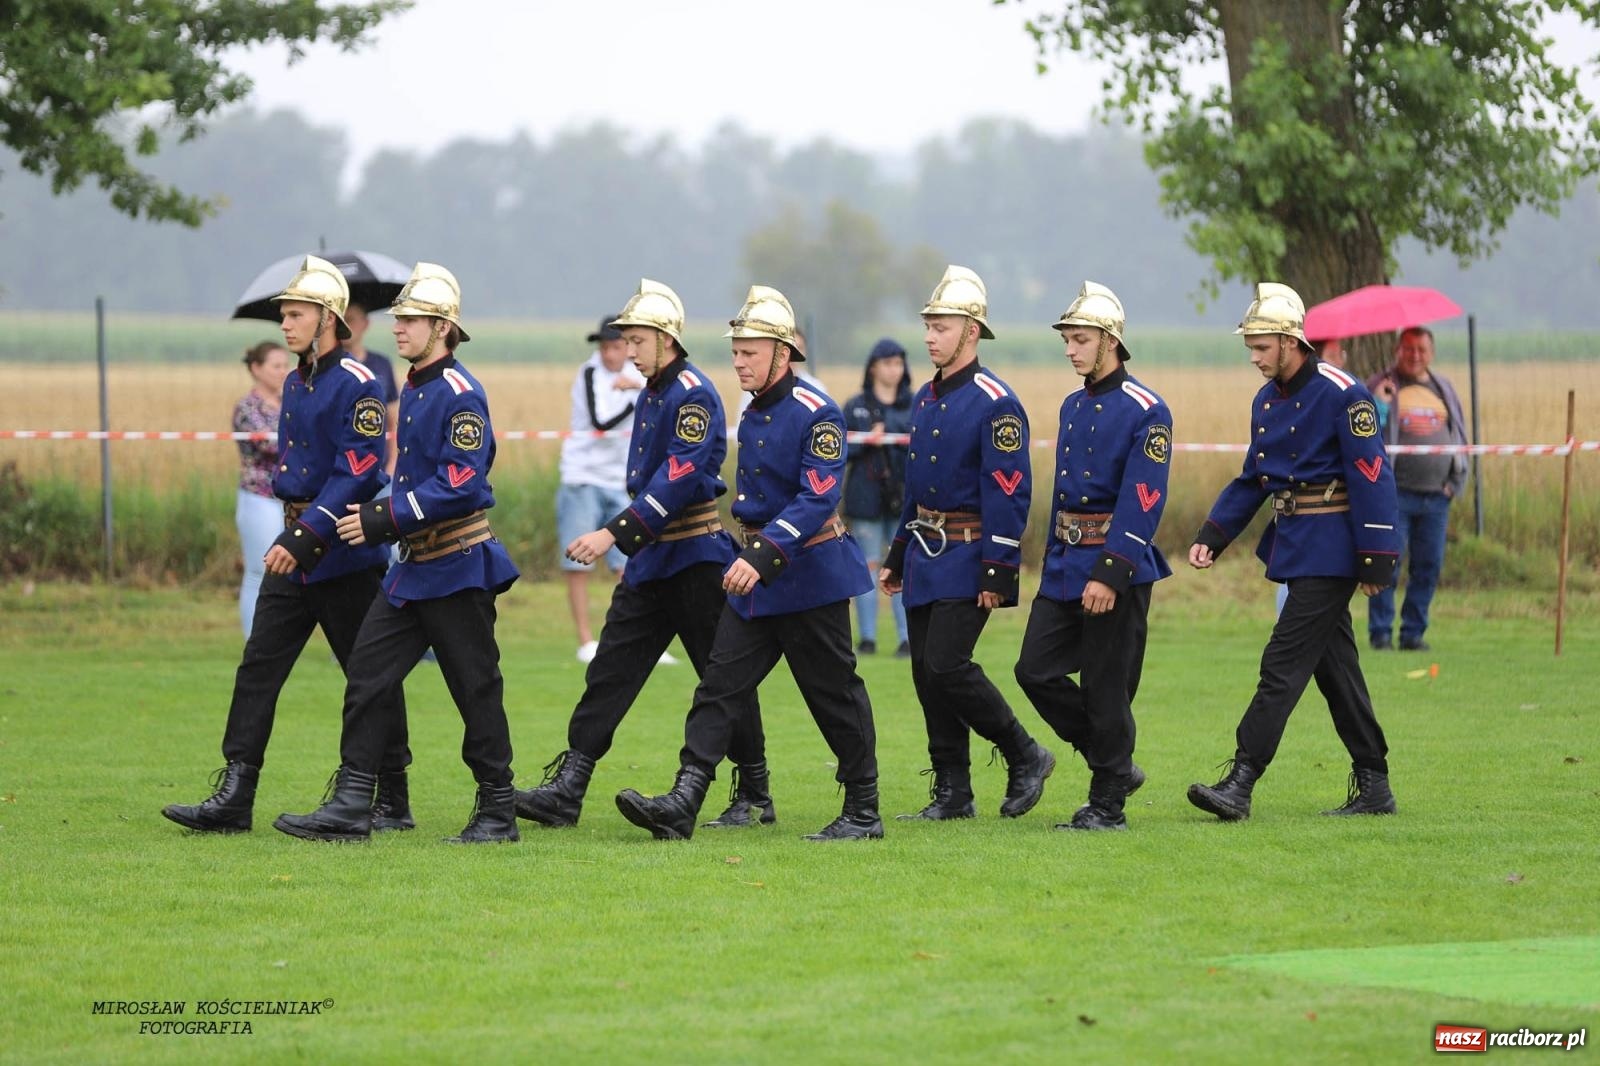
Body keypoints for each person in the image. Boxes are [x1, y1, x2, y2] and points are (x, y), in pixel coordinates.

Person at [614, 285, 881, 842]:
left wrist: (759, 554)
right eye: (735, 351)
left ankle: (863, 809)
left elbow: (818, 496)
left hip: (809, 575)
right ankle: (684, 801)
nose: (738, 362)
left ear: (783, 354)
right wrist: (753, 557)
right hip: (756, 581)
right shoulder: (754, 413)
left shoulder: (818, 412)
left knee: (833, 694)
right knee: (719, 687)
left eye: (750, 352)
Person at [274, 263, 522, 844]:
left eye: (410, 321)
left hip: (458, 565)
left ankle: (498, 810)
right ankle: (353, 804)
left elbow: (463, 480)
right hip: (414, 568)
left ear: (441, 327)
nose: (397, 329)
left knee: (474, 688)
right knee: (367, 674)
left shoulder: (460, 393)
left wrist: (383, 517)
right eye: (398, 320)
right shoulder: (415, 386)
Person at [162, 255, 410, 834]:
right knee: (258, 669)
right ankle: (235, 794)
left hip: (342, 552)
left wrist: (303, 536)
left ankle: (393, 797)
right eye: (284, 315)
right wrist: (293, 533)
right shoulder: (297, 381)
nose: (285, 325)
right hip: (293, 547)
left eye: (296, 315)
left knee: (367, 676)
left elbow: (361, 467)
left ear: (327, 317)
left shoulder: (360, 382)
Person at [515, 280, 773, 832]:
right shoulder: (654, 390)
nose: (627, 350)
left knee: (719, 679)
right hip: (653, 560)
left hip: (697, 560)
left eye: (636, 339)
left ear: (665, 338)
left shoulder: (693, 394)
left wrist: (612, 534)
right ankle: (570, 786)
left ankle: (753, 792)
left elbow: (675, 482)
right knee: (610, 671)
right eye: (626, 340)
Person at [1186, 282, 1401, 821]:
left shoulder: (1344, 393)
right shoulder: (1265, 401)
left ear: (1290, 340)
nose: (1254, 359)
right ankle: (1374, 784)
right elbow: (1254, 479)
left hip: (1333, 551)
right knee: (1336, 671)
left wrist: (1376, 559)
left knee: (1281, 663)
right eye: (1250, 348)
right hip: (1295, 547)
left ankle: (1241, 779)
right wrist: (1212, 536)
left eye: (1261, 348)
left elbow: (1373, 475)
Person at [880, 265, 1055, 822]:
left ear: (971, 332)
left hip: (970, 553)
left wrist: (999, 569)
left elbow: (1010, 490)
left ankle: (1025, 753)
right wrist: (896, 556)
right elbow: (915, 486)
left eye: (941, 326)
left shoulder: (995, 402)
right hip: (924, 555)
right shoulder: (926, 399)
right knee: (926, 676)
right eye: (928, 326)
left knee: (948, 664)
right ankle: (953, 792)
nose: (929, 336)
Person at [1013, 282, 1171, 831]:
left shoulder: (1148, 410)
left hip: (1114, 567)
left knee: (1107, 687)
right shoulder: (1072, 405)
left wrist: (1110, 572)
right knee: (1033, 670)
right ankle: (1115, 762)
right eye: (1068, 341)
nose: (1071, 351)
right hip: (1064, 565)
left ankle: (1108, 805)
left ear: (1109, 340)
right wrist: (1052, 557)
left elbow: (1143, 500)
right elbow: (1061, 491)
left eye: (1080, 340)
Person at [1365, 326, 1468, 651]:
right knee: (1386, 564)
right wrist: (1379, 404)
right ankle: (1380, 633)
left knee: (1428, 565)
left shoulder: (1444, 390)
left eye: (1421, 349)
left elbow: (1461, 434)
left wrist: (1454, 484)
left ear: (1431, 353)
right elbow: (1363, 434)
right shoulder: (1381, 386)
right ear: (1398, 351)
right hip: (1395, 495)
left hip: (1437, 496)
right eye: (1408, 349)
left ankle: (1413, 633)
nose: (1415, 355)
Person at [558, 316, 645, 662]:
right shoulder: (590, 373)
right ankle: (585, 641)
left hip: (619, 480)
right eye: (605, 347)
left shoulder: (638, 376)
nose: (610, 354)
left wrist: (636, 389)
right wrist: (635, 396)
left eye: (617, 346)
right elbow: (600, 421)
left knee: (629, 564)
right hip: (582, 477)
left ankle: (627, 639)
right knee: (578, 564)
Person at [842, 337, 913, 657]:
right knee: (868, 568)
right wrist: (866, 442)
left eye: (898, 363)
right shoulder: (855, 406)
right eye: (887, 362)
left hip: (903, 497)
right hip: (865, 498)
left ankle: (906, 639)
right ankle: (867, 639)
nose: (893, 369)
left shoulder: (915, 405)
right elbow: (838, 449)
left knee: (901, 568)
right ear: (873, 367)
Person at [232, 340, 293, 638]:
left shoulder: (292, 403)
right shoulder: (247, 408)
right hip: (259, 498)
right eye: (276, 366)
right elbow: (272, 445)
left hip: (289, 500)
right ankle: (253, 638)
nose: (283, 371)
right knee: (259, 572)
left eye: (286, 365)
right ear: (256, 369)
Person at [343, 301, 401, 475]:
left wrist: (392, 464)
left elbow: (393, 419)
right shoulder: (326, 367)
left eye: (350, 319)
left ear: (365, 324)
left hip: (378, 469)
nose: (345, 325)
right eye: (341, 320)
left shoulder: (381, 364)